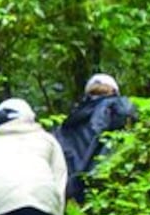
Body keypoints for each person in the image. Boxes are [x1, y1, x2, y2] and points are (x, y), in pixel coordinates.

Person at [54, 73, 139, 203]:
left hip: (74, 189)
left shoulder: (71, 120)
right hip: (108, 182)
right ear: (114, 91)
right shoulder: (119, 107)